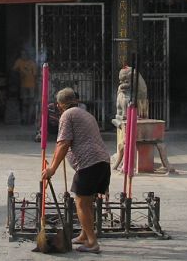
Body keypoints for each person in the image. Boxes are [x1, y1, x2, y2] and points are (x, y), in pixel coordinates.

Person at [41, 87, 110, 254]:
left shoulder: (67, 115)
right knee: (87, 202)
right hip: (102, 162)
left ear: (59, 105)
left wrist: (52, 169)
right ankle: (84, 235)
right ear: (76, 101)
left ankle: (92, 242)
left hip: (89, 164)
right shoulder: (86, 114)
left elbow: (63, 144)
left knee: (80, 202)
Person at [11, 49, 38, 125]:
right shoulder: (19, 62)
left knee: (31, 103)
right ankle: (24, 119)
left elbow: (35, 75)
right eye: (22, 54)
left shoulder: (32, 63)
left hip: (31, 86)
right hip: (23, 86)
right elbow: (13, 70)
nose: (23, 56)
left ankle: (29, 119)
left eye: (25, 54)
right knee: (24, 103)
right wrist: (19, 72)